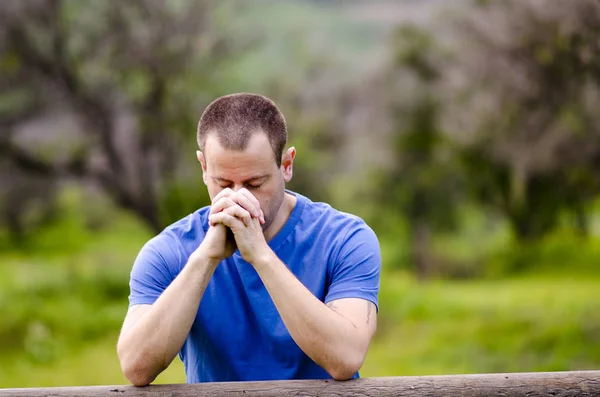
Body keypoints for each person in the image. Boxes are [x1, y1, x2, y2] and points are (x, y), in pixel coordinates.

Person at [116, 93, 381, 386]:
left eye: (255, 183)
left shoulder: (345, 238)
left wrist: (261, 256)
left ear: (287, 165)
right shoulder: (168, 250)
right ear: (203, 168)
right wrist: (205, 259)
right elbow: (136, 367)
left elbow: (345, 358)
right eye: (224, 183)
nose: (238, 197)